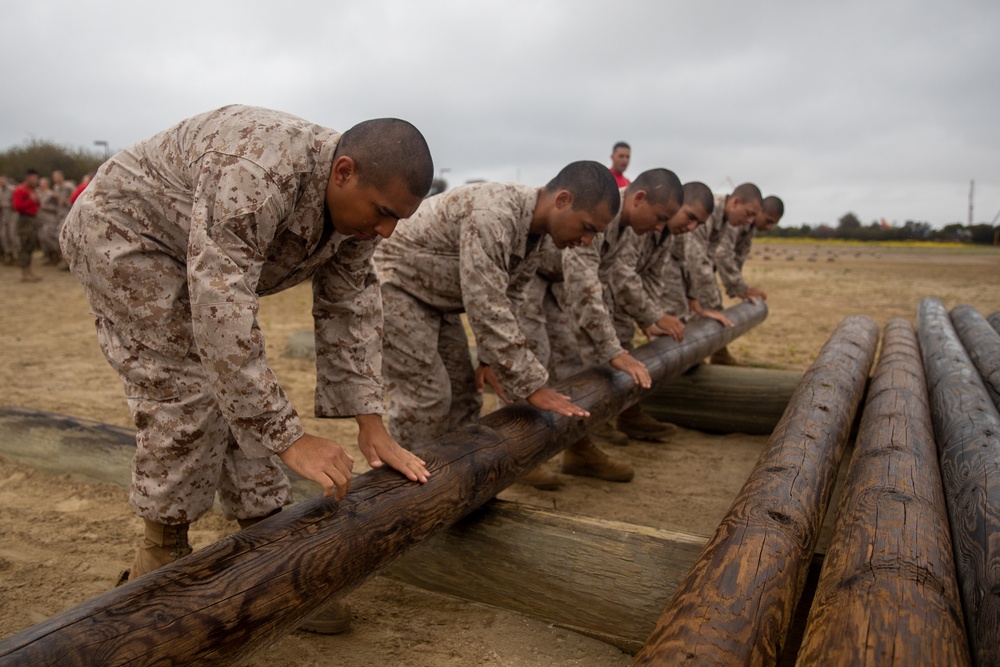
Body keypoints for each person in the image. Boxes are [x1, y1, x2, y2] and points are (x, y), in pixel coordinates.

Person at [60, 104, 434, 633]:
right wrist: (289, 439)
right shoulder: (257, 171)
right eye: (382, 212)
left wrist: (371, 425)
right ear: (343, 171)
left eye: (399, 218)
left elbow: (350, 311)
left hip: (191, 254)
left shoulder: (360, 216)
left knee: (239, 388)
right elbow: (223, 310)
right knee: (185, 390)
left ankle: (270, 551)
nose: (388, 231)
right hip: (124, 236)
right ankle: (160, 559)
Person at [374, 160, 620, 457]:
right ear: (563, 200)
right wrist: (532, 384)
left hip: (436, 298)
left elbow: (510, 297)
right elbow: (485, 303)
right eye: (588, 228)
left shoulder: (536, 234)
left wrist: (490, 359)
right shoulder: (494, 213)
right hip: (396, 284)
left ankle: (457, 478)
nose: (587, 241)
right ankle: (409, 491)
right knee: (426, 397)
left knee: (465, 395)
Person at [515, 168, 682, 488]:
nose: (661, 227)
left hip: (555, 284)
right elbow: (584, 284)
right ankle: (521, 455)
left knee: (570, 364)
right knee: (528, 360)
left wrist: (649, 317)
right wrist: (613, 350)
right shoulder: (601, 210)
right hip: (532, 277)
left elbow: (617, 275)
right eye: (660, 217)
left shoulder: (625, 225)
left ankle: (577, 449)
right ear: (640, 198)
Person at [674, 182, 763, 365]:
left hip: (683, 271)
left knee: (687, 315)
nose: (750, 221)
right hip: (672, 267)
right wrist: (713, 307)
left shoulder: (724, 218)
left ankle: (696, 361)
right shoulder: (709, 210)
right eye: (749, 213)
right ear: (736, 202)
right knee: (678, 316)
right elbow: (698, 261)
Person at [715, 194, 783, 305]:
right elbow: (723, 253)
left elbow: (737, 258)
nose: (769, 227)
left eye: (773, 224)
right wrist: (739, 288)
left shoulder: (750, 229)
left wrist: (740, 288)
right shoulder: (737, 219)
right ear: (759, 211)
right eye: (768, 221)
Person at [12, 169, 42, 282]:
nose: (36, 180)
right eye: (34, 178)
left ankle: (28, 270)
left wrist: (37, 201)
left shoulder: (32, 190)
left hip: (33, 219)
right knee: (25, 245)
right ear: (27, 178)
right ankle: (24, 272)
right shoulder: (20, 190)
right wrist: (31, 200)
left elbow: (37, 204)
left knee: (31, 245)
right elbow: (17, 206)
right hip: (24, 219)